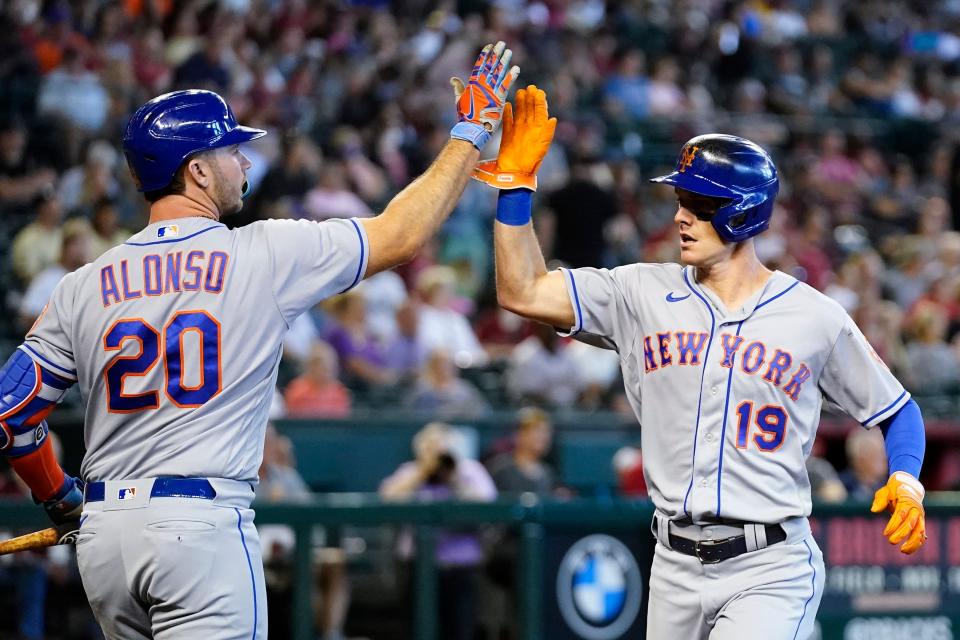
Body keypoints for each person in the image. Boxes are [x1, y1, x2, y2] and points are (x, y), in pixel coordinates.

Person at [0, 42, 518, 639]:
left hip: (105, 538)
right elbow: (400, 235)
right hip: (199, 530)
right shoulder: (262, 252)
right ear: (196, 169)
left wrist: (59, 495)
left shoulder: (81, 285)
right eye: (232, 150)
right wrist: (471, 131)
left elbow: (11, 414)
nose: (245, 163)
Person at [477, 85, 927, 639]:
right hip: (673, 563)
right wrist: (515, 188)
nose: (683, 217)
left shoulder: (815, 317)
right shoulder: (638, 291)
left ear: (743, 212)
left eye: (701, 205)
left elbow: (897, 410)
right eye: (682, 202)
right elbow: (521, 291)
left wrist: (906, 480)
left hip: (770, 566)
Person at [379, 422, 497, 640]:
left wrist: (454, 479)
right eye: (431, 448)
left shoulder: (469, 471)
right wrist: (423, 472)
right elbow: (387, 497)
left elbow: (488, 504)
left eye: (442, 448)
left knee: (460, 630)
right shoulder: (411, 471)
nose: (438, 454)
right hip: (419, 567)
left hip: (462, 568)